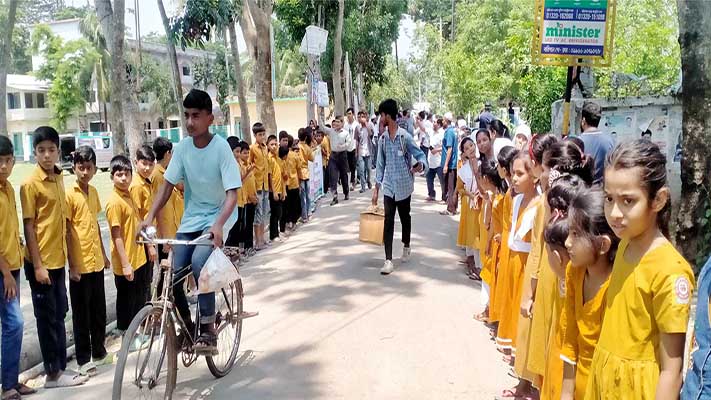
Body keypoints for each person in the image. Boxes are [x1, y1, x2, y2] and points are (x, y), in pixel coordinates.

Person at [586, 139, 694, 398]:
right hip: (606, 381)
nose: (614, 212)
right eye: (609, 199)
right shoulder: (624, 245)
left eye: (627, 201)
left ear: (658, 200)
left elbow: (672, 369)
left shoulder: (670, 271)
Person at [141, 88, 241, 355]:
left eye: (196, 115)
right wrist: (149, 216)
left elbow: (233, 194)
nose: (189, 122)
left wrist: (219, 224)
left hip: (220, 215)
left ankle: (207, 327)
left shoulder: (220, 148)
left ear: (210, 118)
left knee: (199, 262)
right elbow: (166, 186)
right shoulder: (183, 148)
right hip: (192, 220)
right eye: (186, 115)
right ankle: (188, 327)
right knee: (172, 274)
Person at [20, 126, 88, 388]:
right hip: (41, 262)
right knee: (47, 317)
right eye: (41, 151)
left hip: (58, 260)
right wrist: (38, 266)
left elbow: (63, 223)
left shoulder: (59, 178)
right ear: (34, 152)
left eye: (51, 150)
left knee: (60, 312)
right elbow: (29, 226)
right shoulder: (30, 185)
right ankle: (52, 373)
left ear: (58, 151)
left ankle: (60, 368)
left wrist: (71, 262)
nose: (47, 155)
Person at [560, 187, 619, 400]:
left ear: (603, 244)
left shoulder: (617, 286)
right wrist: (566, 393)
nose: (567, 242)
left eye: (576, 234)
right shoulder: (574, 272)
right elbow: (570, 339)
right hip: (578, 387)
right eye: (569, 232)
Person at [495, 153, 540, 399]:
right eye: (513, 173)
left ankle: (528, 383)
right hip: (513, 262)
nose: (514, 178)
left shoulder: (540, 204)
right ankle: (520, 376)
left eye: (520, 173)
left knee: (526, 324)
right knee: (513, 319)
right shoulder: (516, 199)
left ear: (533, 174)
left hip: (527, 266)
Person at [66, 146, 113, 377]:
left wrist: (104, 254)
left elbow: (94, 224)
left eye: (89, 168)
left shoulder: (93, 192)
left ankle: (100, 352)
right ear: (74, 168)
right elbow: (67, 229)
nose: (85, 172)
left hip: (95, 261)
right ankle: (84, 359)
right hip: (79, 263)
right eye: (81, 167)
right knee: (81, 313)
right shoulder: (69, 194)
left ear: (95, 169)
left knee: (98, 310)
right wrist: (72, 265)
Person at [372, 99, 428, 275]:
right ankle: (388, 260)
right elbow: (380, 165)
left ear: (388, 115)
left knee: (405, 218)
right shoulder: (382, 140)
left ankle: (406, 244)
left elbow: (420, 155)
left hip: (404, 185)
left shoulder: (405, 137)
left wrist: (420, 165)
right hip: (389, 187)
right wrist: (376, 189)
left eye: (382, 115)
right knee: (388, 221)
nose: (380, 118)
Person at [0, 136, 35, 399]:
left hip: (13, 265)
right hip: (3, 271)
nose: (2, 166)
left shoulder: (9, 188)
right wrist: (6, 274)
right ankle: (8, 384)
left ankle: (10, 381)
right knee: (14, 323)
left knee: (12, 325)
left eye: (7, 161)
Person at [105, 155, 151, 344]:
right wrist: (125, 264)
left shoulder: (130, 195)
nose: (123, 178)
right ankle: (127, 337)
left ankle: (136, 333)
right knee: (127, 301)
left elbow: (138, 223)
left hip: (138, 255)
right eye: (119, 174)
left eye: (126, 174)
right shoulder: (114, 202)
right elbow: (116, 235)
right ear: (112, 177)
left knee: (139, 297)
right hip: (126, 260)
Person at [151, 137, 185, 255]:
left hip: (174, 229)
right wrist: (165, 237)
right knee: (165, 269)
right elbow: (159, 206)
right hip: (165, 233)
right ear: (167, 153)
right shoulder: (158, 175)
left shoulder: (167, 172)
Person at [455, 137, 481, 279]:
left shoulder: (483, 163)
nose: (470, 149)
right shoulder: (463, 170)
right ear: (464, 153)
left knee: (480, 236)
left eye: (471, 145)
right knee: (473, 237)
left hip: (483, 204)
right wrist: (470, 195)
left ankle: (481, 267)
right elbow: (459, 188)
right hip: (470, 206)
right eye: (466, 148)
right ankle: (476, 266)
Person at [129, 145, 158, 264]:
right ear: (136, 162)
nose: (147, 168)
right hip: (143, 241)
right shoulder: (136, 186)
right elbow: (138, 218)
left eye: (150, 165)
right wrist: (149, 245)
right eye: (144, 163)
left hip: (149, 236)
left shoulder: (147, 182)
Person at [578, 101, 614, 185]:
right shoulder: (610, 141)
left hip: (582, 191)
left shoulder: (577, 142)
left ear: (583, 120)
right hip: (602, 191)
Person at [322, 116, 352, 205]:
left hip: (342, 155)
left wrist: (342, 146)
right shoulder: (331, 132)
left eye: (338, 122)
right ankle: (334, 196)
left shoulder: (346, 133)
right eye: (335, 122)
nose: (336, 124)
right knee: (333, 176)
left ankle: (346, 192)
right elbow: (322, 127)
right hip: (333, 156)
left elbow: (349, 143)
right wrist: (319, 114)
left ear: (342, 123)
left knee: (344, 176)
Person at [249, 122, 270, 250]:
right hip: (256, 184)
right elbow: (250, 165)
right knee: (258, 213)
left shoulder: (265, 148)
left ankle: (262, 238)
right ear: (255, 135)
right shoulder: (252, 149)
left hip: (265, 184)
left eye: (263, 134)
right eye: (260, 135)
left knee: (264, 213)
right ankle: (257, 241)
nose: (262, 137)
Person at [268, 135, 287, 242]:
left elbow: (283, 177)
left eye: (275, 144)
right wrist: (274, 191)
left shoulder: (279, 160)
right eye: (272, 144)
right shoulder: (269, 159)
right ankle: (273, 235)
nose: (274, 146)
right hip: (273, 190)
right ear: (268, 146)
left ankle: (278, 232)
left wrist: (283, 191)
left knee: (279, 212)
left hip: (280, 189)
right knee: (275, 213)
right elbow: (270, 176)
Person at [441, 113, 459, 215]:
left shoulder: (449, 132)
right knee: (452, 186)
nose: (442, 122)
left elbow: (449, 148)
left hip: (450, 163)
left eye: (443, 120)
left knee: (450, 186)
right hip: (453, 162)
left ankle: (450, 208)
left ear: (446, 121)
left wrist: (446, 164)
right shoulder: (454, 131)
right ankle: (453, 207)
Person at [425, 118, 445, 202]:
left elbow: (444, 147)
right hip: (430, 161)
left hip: (439, 161)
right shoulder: (431, 133)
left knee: (442, 181)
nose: (433, 123)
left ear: (439, 124)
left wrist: (436, 150)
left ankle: (445, 197)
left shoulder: (442, 134)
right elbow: (423, 129)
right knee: (429, 178)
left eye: (435, 122)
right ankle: (431, 194)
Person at [297, 129, 314, 222]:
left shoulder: (297, 147)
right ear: (306, 137)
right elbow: (312, 158)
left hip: (299, 173)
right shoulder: (307, 147)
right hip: (306, 172)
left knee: (302, 196)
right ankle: (309, 212)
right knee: (307, 194)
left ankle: (304, 216)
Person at [355, 110, 374, 193]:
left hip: (368, 151)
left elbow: (371, 135)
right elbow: (357, 141)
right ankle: (363, 187)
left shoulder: (369, 125)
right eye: (359, 117)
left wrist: (366, 124)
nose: (361, 118)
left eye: (363, 117)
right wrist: (356, 151)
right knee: (361, 170)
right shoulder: (357, 128)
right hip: (361, 151)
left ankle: (368, 180)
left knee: (369, 169)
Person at [344, 108, 358, 191]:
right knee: (347, 166)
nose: (348, 115)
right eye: (347, 114)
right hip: (347, 148)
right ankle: (350, 181)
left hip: (354, 147)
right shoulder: (345, 125)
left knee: (353, 166)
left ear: (353, 114)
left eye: (350, 113)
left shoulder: (356, 124)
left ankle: (352, 182)